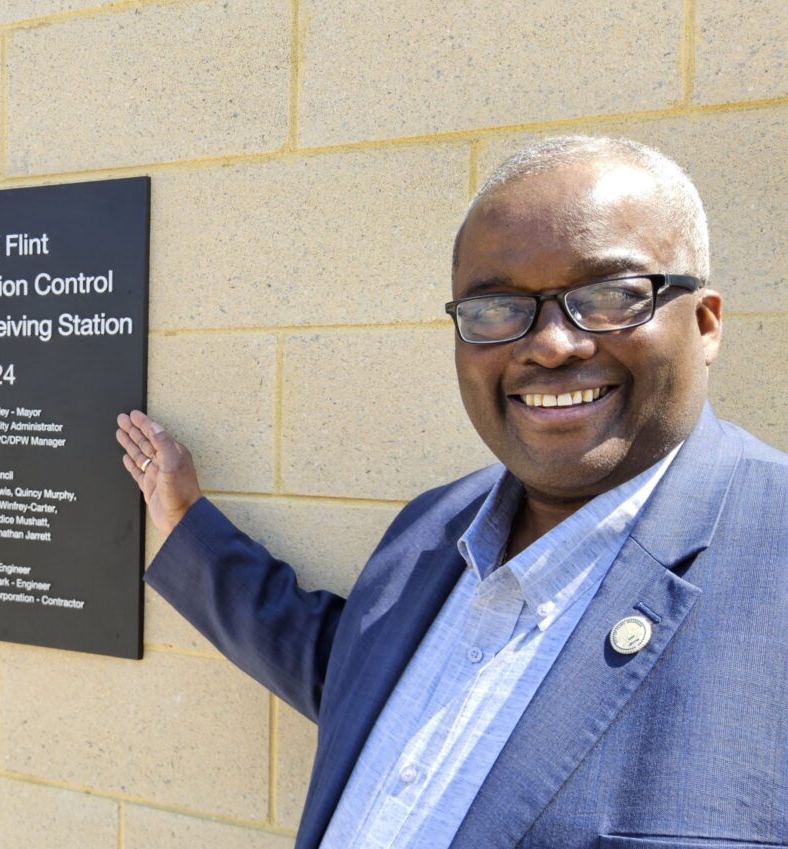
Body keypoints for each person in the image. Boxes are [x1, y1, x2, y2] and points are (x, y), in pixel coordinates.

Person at [115, 136, 788, 849]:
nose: (552, 344)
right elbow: (347, 675)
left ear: (706, 322)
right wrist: (186, 520)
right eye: (497, 307)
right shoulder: (432, 528)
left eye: (612, 295)